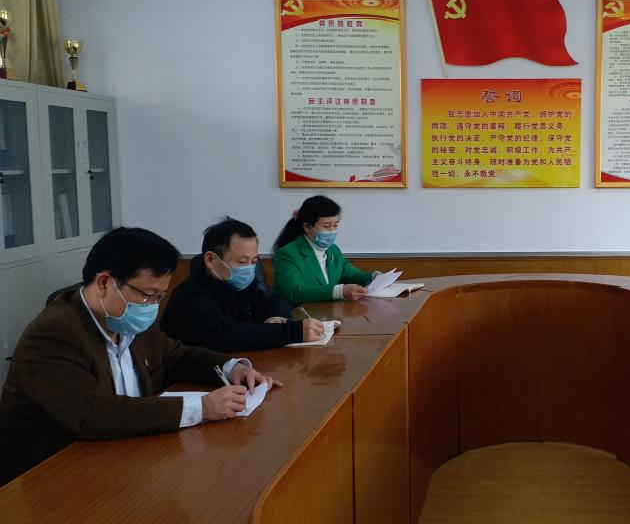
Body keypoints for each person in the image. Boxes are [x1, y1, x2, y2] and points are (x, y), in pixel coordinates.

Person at [0, 227, 281, 485]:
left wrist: (232, 368)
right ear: (104, 283)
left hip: (124, 456)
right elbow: (91, 414)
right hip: (52, 478)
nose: (152, 307)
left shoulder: (125, 319)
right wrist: (201, 408)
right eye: (148, 295)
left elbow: (174, 356)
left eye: (160, 297)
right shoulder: (54, 334)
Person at [162, 217, 326, 351]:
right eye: (242, 262)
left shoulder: (239, 285)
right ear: (210, 260)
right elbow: (226, 336)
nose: (249, 269)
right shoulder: (190, 297)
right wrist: (291, 332)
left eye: (253, 261)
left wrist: (278, 317)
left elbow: (274, 299)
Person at [272, 195, 377, 306]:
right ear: (307, 227)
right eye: (326, 226)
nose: (332, 231)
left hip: (330, 312)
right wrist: (339, 291)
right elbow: (295, 291)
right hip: (300, 314)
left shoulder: (333, 250)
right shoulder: (287, 254)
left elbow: (351, 274)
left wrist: (375, 277)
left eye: (335, 225)